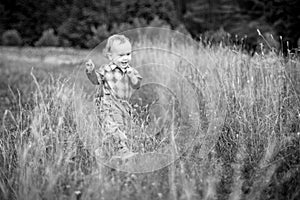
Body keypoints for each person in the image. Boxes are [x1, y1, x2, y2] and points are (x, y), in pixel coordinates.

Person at [85, 34, 142, 160]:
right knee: (114, 129)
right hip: (108, 104)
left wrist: (132, 77)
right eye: (121, 55)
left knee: (120, 129)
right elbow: (96, 81)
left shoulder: (131, 71)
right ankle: (123, 152)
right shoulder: (106, 70)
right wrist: (91, 72)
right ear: (110, 56)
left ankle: (103, 152)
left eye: (128, 54)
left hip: (123, 106)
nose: (125, 58)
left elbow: (137, 85)